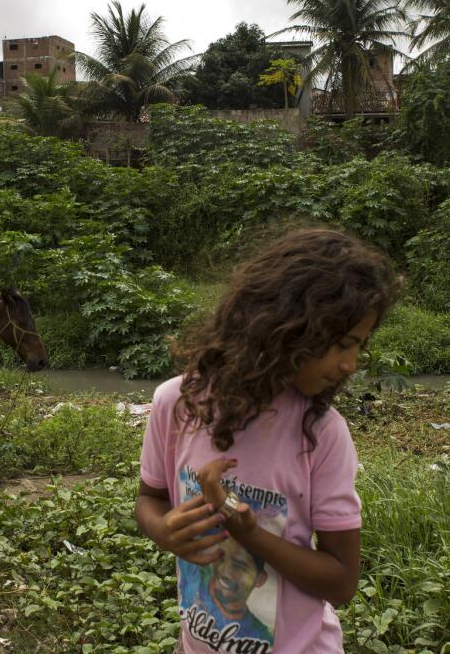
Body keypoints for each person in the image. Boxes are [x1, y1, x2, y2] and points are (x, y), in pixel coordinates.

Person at [135, 228, 402, 653]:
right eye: (342, 344)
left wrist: (252, 535)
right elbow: (149, 499)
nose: (351, 364)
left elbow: (341, 581)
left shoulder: (321, 434)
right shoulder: (177, 403)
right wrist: (163, 529)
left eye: (360, 346)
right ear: (285, 328)